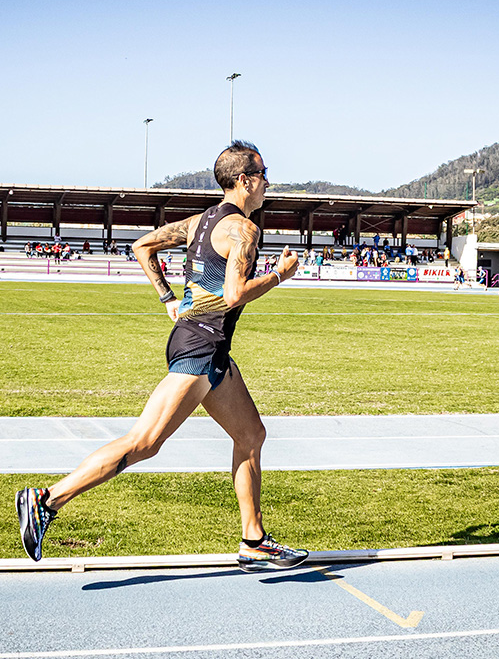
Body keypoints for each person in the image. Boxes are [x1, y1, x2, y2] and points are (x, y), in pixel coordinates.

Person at [16, 141, 309, 572]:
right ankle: (46, 500)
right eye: (264, 174)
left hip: (208, 347)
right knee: (145, 442)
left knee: (251, 435)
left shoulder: (202, 222)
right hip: (199, 346)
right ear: (244, 180)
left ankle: (254, 540)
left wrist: (167, 298)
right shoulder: (243, 230)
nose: (268, 182)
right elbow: (234, 294)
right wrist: (280, 276)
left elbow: (142, 246)